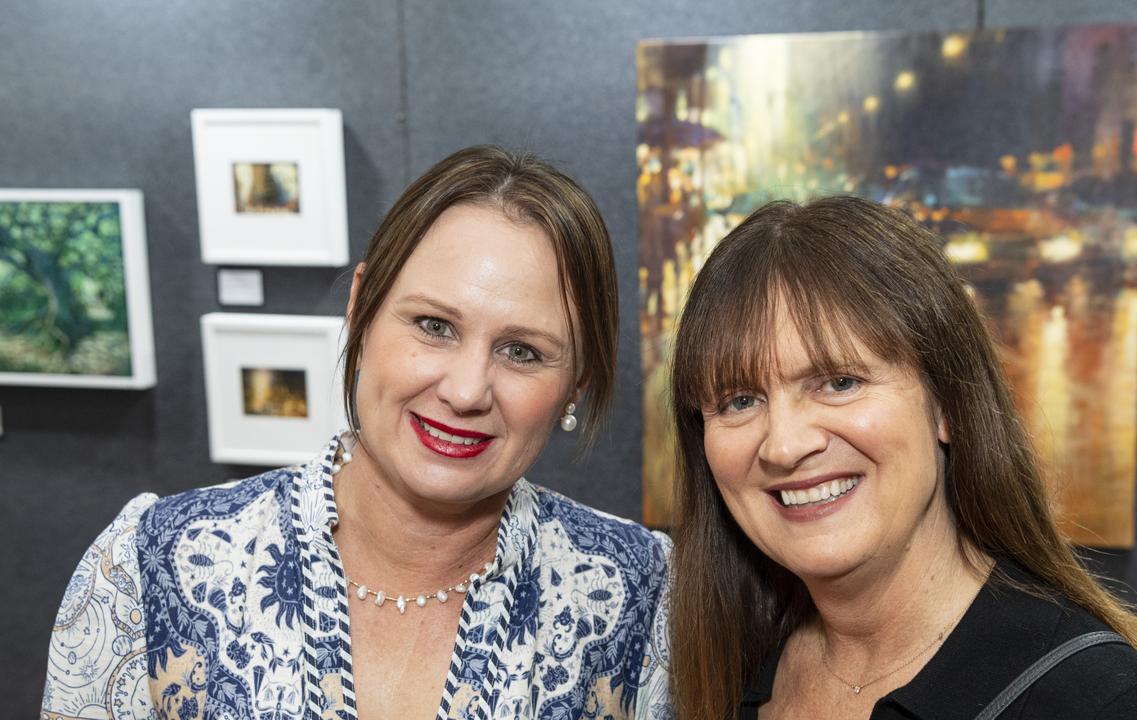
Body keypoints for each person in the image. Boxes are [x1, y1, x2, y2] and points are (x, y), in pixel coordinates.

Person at [43, 146, 672, 719]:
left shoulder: (636, 591)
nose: (466, 390)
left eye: (523, 352)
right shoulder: (154, 565)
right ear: (361, 308)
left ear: (578, 384)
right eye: (434, 325)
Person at [666, 196, 1137, 720]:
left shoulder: (1107, 705)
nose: (783, 445)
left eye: (840, 382)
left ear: (947, 404)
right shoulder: (713, 672)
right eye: (739, 400)